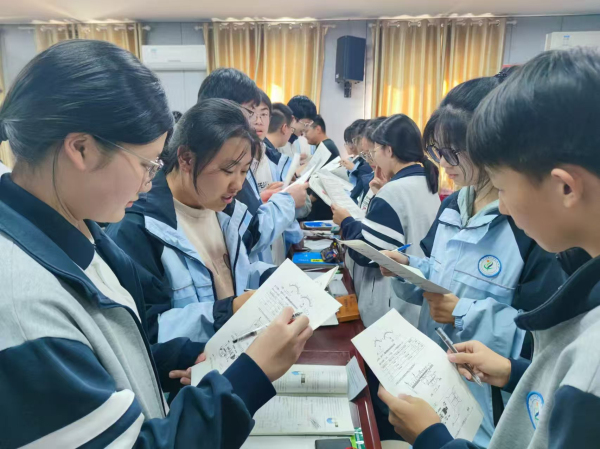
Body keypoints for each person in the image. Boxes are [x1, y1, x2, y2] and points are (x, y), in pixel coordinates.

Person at [0, 39, 312, 448]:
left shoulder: (80, 234)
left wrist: (179, 357)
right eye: (146, 164)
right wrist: (251, 374)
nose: (150, 182)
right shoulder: (22, 303)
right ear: (81, 149)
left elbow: (123, 352)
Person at [379, 72, 569, 447]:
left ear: (488, 146)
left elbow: (539, 341)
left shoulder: (529, 226)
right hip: (436, 378)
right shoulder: (453, 204)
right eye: (437, 151)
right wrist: (407, 268)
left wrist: (462, 312)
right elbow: (437, 271)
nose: (442, 163)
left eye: (453, 152)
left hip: (488, 402)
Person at [107, 99, 274, 344]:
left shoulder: (225, 211)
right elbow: (144, 332)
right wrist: (228, 311)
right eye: (228, 170)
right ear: (186, 159)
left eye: (244, 171)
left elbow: (229, 276)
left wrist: (272, 278)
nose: (238, 185)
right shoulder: (139, 228)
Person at [334, 114, 441, 328]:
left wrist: (346, 222)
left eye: (374, 151)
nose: (373, 159)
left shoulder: (394, 191)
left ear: (389, 150)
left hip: (392, 302)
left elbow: (368, 254)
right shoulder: (424, 181)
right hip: (416, 297)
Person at [197, 68, 308, 266]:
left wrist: (261, 199)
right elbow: (249, 235)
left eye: (263, 115)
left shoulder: (241, 156)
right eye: (250, 113)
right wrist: (288, 201)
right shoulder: (215, 166)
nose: (256, 122)